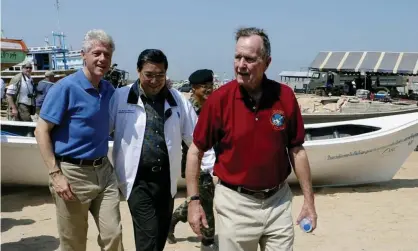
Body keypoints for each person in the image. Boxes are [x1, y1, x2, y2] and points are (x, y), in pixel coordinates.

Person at [185, 27, 318, 251]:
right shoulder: (219, 100)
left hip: (278, 202)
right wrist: (194, 201)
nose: (241, 65)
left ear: (267, 62)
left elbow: (297, 150)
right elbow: (195, 152)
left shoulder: (284, 96)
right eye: (237, 57)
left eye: (250, 59)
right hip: (235, 204)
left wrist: (309, 202)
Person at [109, 49, 215, 251]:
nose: (155, 81)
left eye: (160, 75)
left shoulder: (177, 101)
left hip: (166, 180)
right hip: (137, 179)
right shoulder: (121, 97)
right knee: (147, 235)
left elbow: (197, 138)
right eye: (149, 75)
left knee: (159, 234)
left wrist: (210, 166)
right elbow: (102, 129)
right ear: (138, 71)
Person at [34, 29, 123, 251]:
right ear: (83, 54)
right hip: (72, 175)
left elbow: (132, 99)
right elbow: (41, 130)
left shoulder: (108, 90)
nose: (103, 59)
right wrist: (56, 175)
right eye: (97, 53)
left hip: (104, 171)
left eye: (107, 55)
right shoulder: (65, 87)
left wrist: (162, 87)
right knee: (74, 243)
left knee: (114, 235)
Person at [168, 69, 218, 251]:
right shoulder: (187, 109)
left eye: (210, 86)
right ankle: (208, 239)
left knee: (203, 198)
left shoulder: (213, 106)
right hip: (195, 165)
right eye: (204, 87)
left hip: (211, 161)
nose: (208, 90)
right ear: (194, 89)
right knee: (206, 202)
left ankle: (172, 220)